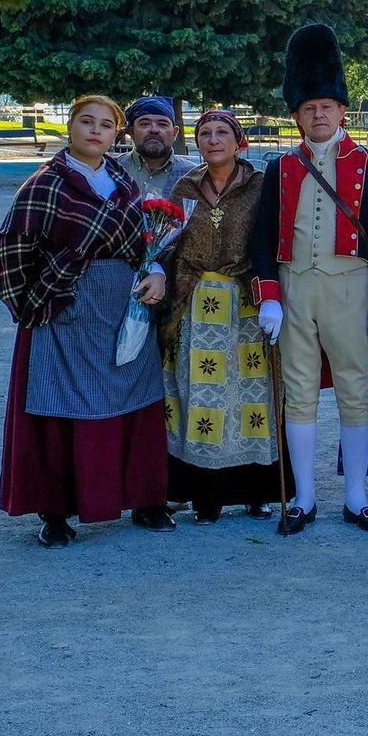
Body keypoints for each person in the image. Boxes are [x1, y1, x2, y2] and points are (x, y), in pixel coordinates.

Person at [0, 95, 172, 545]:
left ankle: (146, 500)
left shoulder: (124, 185)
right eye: (86, 122)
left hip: (124, 308)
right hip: (64, 312)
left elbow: (142, 247)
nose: (96, 131)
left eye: (106, 125)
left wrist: (154, 271)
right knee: (61, 406)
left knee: (135, 398)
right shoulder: (43, 185)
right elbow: (12, 255)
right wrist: (39, 304)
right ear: (70, 128)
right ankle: (55, 513)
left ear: (118, 134)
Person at [247, 24, 368, 536]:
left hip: (350, 286)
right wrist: (269, 295)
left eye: (326, 106)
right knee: (298, 392)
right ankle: (305, 498)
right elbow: (263, 234)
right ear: (296, 114)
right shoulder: (281, 167)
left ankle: (357, 498)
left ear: (342, 111)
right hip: (294, 289)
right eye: (308, 107)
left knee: (356, 390)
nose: (318, 114)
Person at [159, 108, 280, 523]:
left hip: (245, 302)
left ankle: (256, 491)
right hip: (194, 303)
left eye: (221, 132)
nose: (213, 140)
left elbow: (273, 241)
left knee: (251, 397)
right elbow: (168, 243)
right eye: (205, 133)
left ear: (238, 140)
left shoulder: (262, 186)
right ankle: (204, 496)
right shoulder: (185, 186)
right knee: (199, 398)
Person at [119, 96, 184, 199]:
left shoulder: (193, 175)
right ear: (131, 132)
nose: (154, 130)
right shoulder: (113, 169)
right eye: (144, 124)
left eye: (162, 124)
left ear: (175, 133)